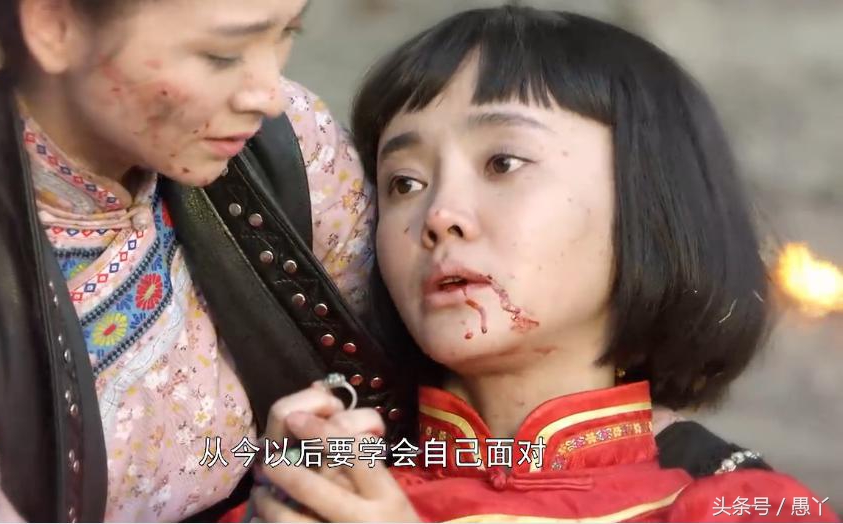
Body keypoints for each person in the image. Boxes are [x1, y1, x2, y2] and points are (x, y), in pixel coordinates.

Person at [246, 6, 838, 522]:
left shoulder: (738, 505)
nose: (440, 215)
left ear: (649, 203)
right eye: (404, 182)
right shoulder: (329, 489)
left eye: (502, 163)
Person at [0, 0, 381, 521]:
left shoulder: (289, 144)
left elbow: (418, 405)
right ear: (53, 26)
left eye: (287, 32)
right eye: (223, 53)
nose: (269, 96)